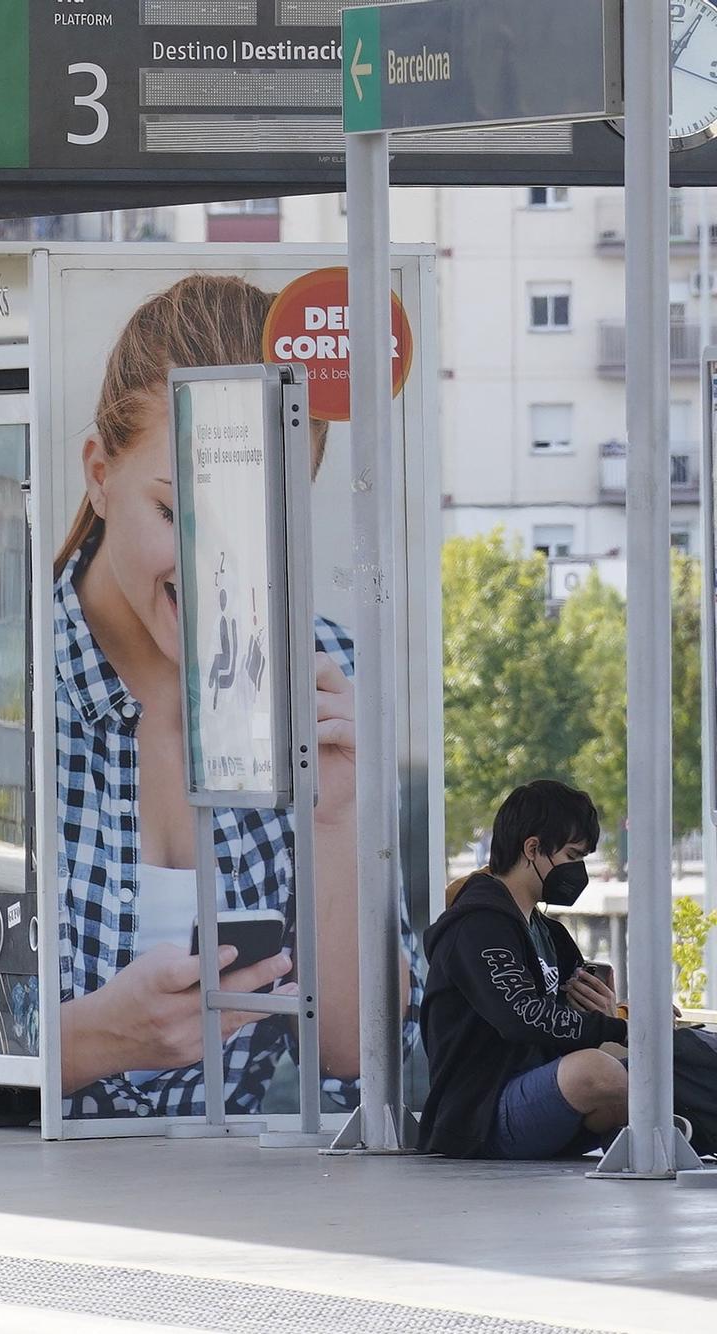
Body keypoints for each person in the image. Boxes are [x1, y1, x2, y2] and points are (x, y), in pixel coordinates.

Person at [51, 274, 419, 1120]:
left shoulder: (327, 666)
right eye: (177, 513)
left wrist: (337, 822)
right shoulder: (3, 681)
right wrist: (97, 1038)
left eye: (262, 520)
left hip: (258, 1209)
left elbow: (363, 1053)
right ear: (100, 475)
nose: (221, 565)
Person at [419, 781, 632, 1159]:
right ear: (532, 849)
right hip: (482, 1116)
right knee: (598, 1071)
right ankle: (668, 1126)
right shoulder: (477, 926)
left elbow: (571, 1026)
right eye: (572, 854)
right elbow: (521, 1017)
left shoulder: (550, 933)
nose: (579, 870)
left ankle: (671, 1127)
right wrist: (621, 1029)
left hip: (543, 1093)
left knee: (648, 1063)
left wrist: (609, 1013)